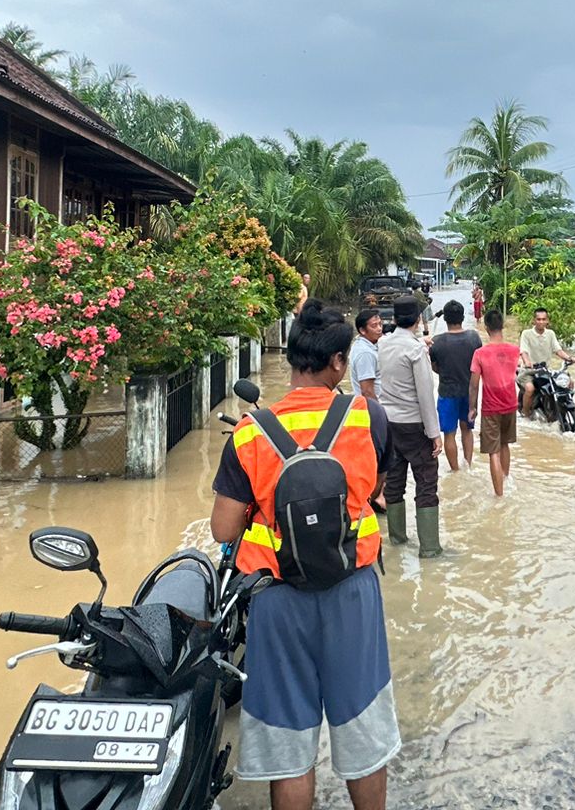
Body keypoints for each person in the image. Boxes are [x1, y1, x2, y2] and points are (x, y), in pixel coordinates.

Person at [210, 300, 399, 810]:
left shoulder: (250, 432)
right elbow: (373, 490)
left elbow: (223, 528)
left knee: (290, 743)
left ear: (293, 357)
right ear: (338, 362)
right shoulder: (369, 417)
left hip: (277, 601)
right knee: (362, 728)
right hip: (352, 591)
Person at [377, 297, 444, 557]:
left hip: (388, 423)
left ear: (394, 319)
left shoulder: (383, 344)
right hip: (414, 425)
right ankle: (430, 549)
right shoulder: (416, 351)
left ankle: (397, 540)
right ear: (418, 320)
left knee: (394, 481)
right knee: (426, 484)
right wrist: (434, 434)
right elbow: (425, 395)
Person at [468, 308, 521, 496]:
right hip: (511, 404)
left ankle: (499, 495)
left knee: (494, 452)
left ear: (486, 327)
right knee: (505, 444)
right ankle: (506, 480)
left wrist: (472, 408)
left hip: (491, 408)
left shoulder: (480, 353)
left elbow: (474, 384)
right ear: (503, 325)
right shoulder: (514, 350)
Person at [429, 300, 482, 472]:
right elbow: (478, 366)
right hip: (469, 392)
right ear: (462, 317)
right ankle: (468, 466)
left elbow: (434, 367)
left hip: (447, 393)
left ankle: (455, 470)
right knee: (467, 430)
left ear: (445, 319)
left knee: (449, 434)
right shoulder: (474, 338)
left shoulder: (436, 342)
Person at [518, 307, 575, 417]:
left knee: (569, 382)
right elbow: (524, 351)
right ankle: (525, 413)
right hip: (529, 371)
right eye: (538, 319)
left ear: (547, 321)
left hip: (546, 370)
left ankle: (560, 407)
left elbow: (558, 350)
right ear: (534, 320)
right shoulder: (526, 333)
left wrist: (569, 359)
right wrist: (527, 362)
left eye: (544, 319)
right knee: (530, 389)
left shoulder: (550, 334)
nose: (541, 322)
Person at [350, 308, 384, 398]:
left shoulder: (366, 345)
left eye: (380, 324)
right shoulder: (365, 353)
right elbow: (367, 391)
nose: (379, 329)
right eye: (374, 326)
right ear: (362, 330)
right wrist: (376, 407)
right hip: (373, 403)